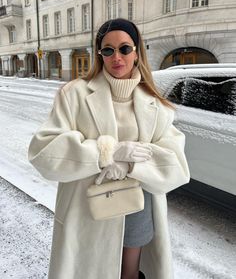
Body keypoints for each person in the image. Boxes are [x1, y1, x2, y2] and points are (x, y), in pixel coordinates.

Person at [28, 18, 190, 279]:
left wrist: (131, 163)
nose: (117, 56)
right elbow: (43, 151)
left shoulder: (157, 105)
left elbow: (177, 165)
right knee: (88, 269)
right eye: (108, 49)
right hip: (87, 208)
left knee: (129, 273)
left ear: (137, 52)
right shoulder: (74, 95)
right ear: (100, 54)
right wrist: (106, 153)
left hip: (137, 204)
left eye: (125, 48)